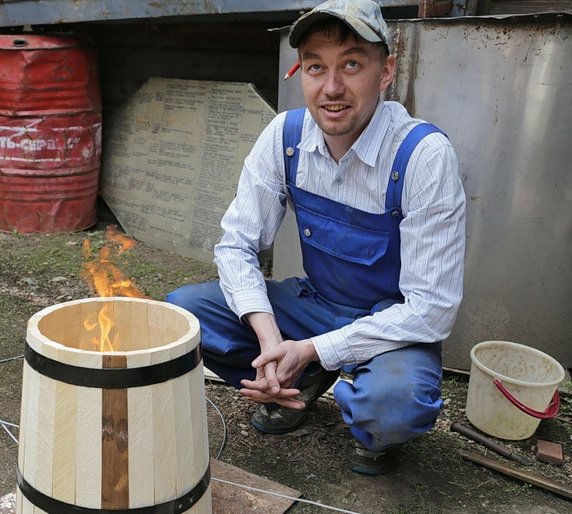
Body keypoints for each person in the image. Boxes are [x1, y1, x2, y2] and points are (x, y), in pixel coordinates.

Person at [167, 0, 466, 475]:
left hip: (392, 327)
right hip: (315, 306)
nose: (331, 88)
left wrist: (312, 348)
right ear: (299, 72)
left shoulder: (422, 156)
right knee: (182, 317)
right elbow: (235, 244)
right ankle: (295, 380)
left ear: (385, 71)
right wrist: (270, 341)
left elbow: (432, 309)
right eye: (315, 66)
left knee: (393, 403)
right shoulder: (285, 136)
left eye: (351, 64)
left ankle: (368, 424)